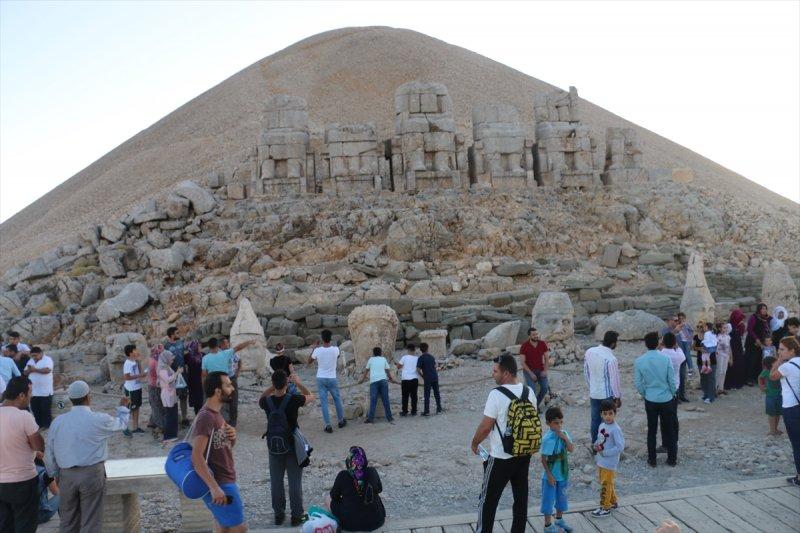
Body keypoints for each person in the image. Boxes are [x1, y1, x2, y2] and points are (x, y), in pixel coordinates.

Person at [45, 380, 131, 532]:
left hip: (67, 475)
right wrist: (123, 407)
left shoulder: (58, 422)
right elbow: (122, 424)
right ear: (89, 397)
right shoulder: (99, 419)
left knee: (68, 521)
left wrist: (55, 474)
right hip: (92, 474)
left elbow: (50, 452)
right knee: (91, 520)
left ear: (71, 399)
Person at [470, 354, 537, 533]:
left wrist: (475, 443)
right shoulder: (528, 392)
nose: (493, 374)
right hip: (524, 453)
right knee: (521, 499)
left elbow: (486, 427)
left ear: (506, 373)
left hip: (501, 456)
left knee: (488, 500)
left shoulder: (496, 394)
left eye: (495, 371)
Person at [191, 372, 246, 532]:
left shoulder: (216, 414)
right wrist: (214, 487)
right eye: (228, 385)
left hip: (224, 479)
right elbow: (196, 456)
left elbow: (220, 447)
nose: (232, 388)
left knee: (223, 528)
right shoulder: (206, 417)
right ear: (217, 391)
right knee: (239, 528)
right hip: (221, 482)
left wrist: (232, 437)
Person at [259, 370, 315, 526]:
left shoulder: (267, 402)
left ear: (273, 383)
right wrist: (298, 383)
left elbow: (261, 397)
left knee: (276, 482)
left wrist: (272, 387)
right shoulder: (293, 399)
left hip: (274, 447)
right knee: (294, 482)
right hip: (292, 446)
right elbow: (311, 395)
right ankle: (296, 516)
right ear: (286, 383)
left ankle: (279, 514)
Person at [0, 376, 44, 532]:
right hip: (22, 481)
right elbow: (38, 445)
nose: (31, 396)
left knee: (5, 526)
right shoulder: (24, 416)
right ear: (21, 395)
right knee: (25, 525)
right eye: (30, 393)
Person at [634, 332, 677, 467]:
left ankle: (652, 460)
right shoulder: (665, 359)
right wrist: (673, 392)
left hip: (651, 399)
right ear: (658, 343)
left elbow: (638, 383)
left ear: (646, 344)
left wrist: (645, 393)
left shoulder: (639, 361)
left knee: (652, 430)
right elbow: (671, 379)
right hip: (666, 398)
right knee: (670, 429)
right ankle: (672, 459)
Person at [328, 446, 386, 531]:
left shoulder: (343, 475)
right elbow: (379, 489)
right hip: (376, 521)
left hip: (349, 524)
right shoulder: (372, 472)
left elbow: (334, 496)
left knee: (329, 500)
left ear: (349, 461)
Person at [203, 337, 254, 427]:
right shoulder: (225, 354)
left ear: (209, 347)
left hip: (213, 384)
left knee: (218, 405)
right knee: (231, 403)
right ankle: (229, 425)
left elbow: (203, 375)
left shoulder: (205, 358)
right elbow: (239, 347)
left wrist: (205, 388)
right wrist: (249, 342)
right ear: (218, 345)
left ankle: (218, 424)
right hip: (226, 382)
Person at [769, 336, 800, 486]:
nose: (779, 352)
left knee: (797, 443)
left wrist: (779, 360)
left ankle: (799, 477)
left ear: (792, 350)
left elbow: (772, 376)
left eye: (782, 349)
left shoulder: (786, 366)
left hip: (791, 408)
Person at [539, 406, 574, 533]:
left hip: (563, 474)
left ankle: (559, 520)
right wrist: (549, 475)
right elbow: (543, 459)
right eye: (555, 423)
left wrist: (565, 438)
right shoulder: (548, 439)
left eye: (561, 422)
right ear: (548, 423)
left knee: (561, 498)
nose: (559, 426)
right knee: (548, 500)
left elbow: (571, 449)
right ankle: (548, 525)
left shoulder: (564, 434)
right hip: (551, 476)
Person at [583, 331, 622, 442]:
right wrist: (617, 397)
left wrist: (591, 387)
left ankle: (595, 444)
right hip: (606, 395)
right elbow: (615, 381)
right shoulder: (611, 359)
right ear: (613, 343)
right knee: (608, 421)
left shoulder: (589, 352)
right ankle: (605, 444)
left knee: (595, 420)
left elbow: (586, 373)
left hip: (594, 393)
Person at [590, 399, 625, 518]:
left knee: (605, 483)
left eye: (610, 413)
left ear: (615, 413)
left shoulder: (616, 429)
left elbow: (620, 447)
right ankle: (612, 501)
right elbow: (600, 439)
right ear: (601, 414)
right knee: (606, 482)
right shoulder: (601, 426)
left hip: (609, 462)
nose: (608, 416)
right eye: (605, 414)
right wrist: (596, 445)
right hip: (601, 460)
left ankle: (605, 507)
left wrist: (605, 452)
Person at [311, 329, 346, 433]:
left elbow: (309, 361)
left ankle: (328, 425)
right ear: (330, 338)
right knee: (337, 399)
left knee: (324, 402)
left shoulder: (317, 350)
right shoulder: (335, 349)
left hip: (320, 378)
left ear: (322, 339)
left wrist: (314, 348)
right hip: (332, 377)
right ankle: (341, 420)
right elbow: (338, 356)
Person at [360, 347, 397, 424]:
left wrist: (362, 379)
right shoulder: (383, 359)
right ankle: (389, 417)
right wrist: (391, 378)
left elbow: (366, 371)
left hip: (373, 381)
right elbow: (387, 370)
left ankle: (371, 418)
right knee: (385, 399)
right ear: (380, 353)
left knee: (373, 400)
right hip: (383, 380)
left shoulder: (371, 359)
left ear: (373, 353)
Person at [164, 327, 190, 428]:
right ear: (171, 335)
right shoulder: (166, 346)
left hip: (183, 375)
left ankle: (184, 417)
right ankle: (174, 417)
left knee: (183, 396)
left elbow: (185, 355)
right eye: (177, 333)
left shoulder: (181, 343)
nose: (178, 334)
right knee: (173, 397)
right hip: (172, 376)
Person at [23, 346, 54, 429]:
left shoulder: (48, 360)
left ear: (41, 353)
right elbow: (25, 372)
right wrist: (29, 370)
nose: (34, 357)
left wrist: (34, 369)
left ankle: (47, 426)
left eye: (35, 355)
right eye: (32, 356)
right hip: (33, 391)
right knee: (35, 409)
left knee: (45, 410)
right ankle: (39, 425)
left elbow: (47, 370)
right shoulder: (30, 361)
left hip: (45, 391)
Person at [520, 327, 551, 407]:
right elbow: (522, 362)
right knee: (532, 390)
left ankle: (536, 405)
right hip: (529, 371)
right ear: (529, 336)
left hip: (540, 370)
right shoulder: (524, 346)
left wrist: (545, 370)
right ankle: (532, 408)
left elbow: (547, 358)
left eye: (536, 334)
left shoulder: (542, 344)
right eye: (533, 335)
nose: (536, 336)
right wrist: (531, 374)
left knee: (544, 388)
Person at [158, 349, 183, 445]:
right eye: (171, 359)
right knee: (169, 414)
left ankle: (173, 434)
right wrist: (177, 373)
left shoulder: (167, 367)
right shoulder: (162, 369)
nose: (172, 360)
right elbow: (168, 380)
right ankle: (167, 436)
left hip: (172, 392)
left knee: (173, 413)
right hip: (167, 394)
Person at [745, 303, 772, 385]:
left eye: (765, 309)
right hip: (752, 342)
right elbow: (749, 329)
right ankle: (749, 379)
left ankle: (757, 378)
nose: (764, 310)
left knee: (759, 361)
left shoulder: (767, 318)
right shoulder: (754, 317)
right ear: (759, 309)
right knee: (752, 361)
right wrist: (756, 339)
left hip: (762, 343)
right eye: (762, 309)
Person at [122, 344, 146, 437]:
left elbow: (141, 373)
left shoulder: (134, 362)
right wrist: (140, 376)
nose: (137, 351)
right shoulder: (127, 363)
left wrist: (139, 362)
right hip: (131, 389)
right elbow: (127, 377)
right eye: (135, 349)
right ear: (130, 352)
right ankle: (124, 428)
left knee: (136, 407)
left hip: (137, 388)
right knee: (129, 409)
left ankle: (135, 427)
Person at [759, 355, 783, 436]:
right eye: (775, 362)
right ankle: (772, 430)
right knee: (771, 413)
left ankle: (775, 429)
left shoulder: (779, 370)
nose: (777, 363)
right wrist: (762, 387)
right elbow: (760, 378)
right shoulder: (766, 371)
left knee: (778, 413)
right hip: (770, 396)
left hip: (780, 395)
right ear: (771, 364)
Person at [416, 342, 442, 416]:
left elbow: (418, 370)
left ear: (421, 350)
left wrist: (422, 376)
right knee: (437, 393)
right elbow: (434, 366)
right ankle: (439, 409)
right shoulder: (431, 357)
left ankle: (426, 411)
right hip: (434, 376)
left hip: (427, 378)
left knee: (427, 394)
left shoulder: (421, 358)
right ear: (427, 348)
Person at [725, 309, 748, 390]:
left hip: (739, 350)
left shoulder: (740, 326)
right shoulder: (729, 327)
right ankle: (731, 384)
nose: (741, 320)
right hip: (731, 350)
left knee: (739, 365)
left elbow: (742, 336)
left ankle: (738, 383)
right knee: (732, 367)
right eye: (740, 318)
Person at [696, 324, 717, 404]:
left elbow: (715, 345)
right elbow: (694, 347)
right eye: (699, 327)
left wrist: (708, 349)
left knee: (711, 378)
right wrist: (700, 348)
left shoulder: (712, 335)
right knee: (703, 378)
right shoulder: (696, 336)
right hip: (700, 360)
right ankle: (705, 394)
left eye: (702, 326)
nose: (701, 328)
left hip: (711, 360)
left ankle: (711, 396)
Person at [397, 343, 420, 416]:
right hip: (414, 379)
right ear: (414, 350)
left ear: (408, 350)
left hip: (405, 379)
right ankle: (414, 411)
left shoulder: (404, 357)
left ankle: (404, 411)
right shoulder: (417, 358)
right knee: (414, 396)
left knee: (405, 396)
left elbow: (398, 366)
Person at [185, 340, 205, 416]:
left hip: (202, 379)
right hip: (193, 381)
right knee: (196, 401)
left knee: (203, 399)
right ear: (194, 347)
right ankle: (198, 416)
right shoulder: (188, 356)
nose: (201, 347)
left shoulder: (203, 355)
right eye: (199, 346)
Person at [715, 324, 732, 396]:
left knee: (724, 371)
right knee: (719, 371)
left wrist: (730, 357)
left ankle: (721, 388)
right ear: (720, 329)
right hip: (719, 354)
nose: (725, 329)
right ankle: (715, 388)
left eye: (726, 328)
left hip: (726, 355)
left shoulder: (728, 337)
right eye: (724, 328)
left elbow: (729, 347)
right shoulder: (717, 337)